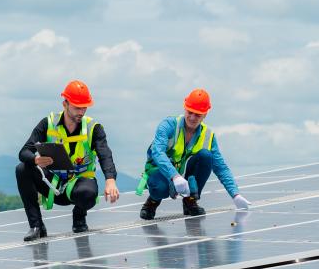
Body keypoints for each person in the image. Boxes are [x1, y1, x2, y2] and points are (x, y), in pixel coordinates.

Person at [16, 80, 120, 241]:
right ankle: (36, 226)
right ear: (65, 104)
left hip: (79, 185)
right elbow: (24, 152)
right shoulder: (48, 123)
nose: (81, 111)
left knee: (88, 195)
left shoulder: (94, 128)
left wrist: (111, 180)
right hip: (53, 184)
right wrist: (36, 160)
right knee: (22, 169)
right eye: (77, 107)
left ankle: (79, 216)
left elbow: (105, 154)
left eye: (84, 107)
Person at [138, 88, 250, 219]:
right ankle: (152, 201)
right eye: (190, 112)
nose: (192, 117)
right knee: (159, 188)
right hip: (162, 170)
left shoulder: (208, 135)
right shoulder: (168, 125)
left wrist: (235, 194)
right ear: (185, 108)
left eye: (198, 115)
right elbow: (157, 152)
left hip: (185, 172)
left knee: (206, 156)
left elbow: (220, 167)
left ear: (205, 115)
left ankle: (190, 201)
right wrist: (174, 176)